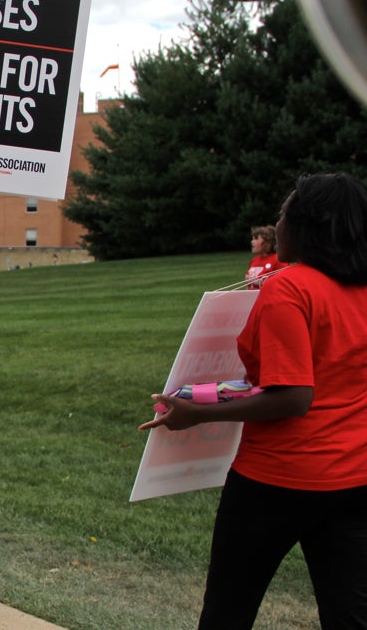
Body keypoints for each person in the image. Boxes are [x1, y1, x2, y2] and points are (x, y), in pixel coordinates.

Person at [140, 172, 367, 628]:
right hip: (354, 481)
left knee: (228, 611)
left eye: (282, 214)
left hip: (277, 480)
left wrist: (198, 413)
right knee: (350, 615)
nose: (275, 225)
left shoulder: (288, 288)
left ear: (305, 225)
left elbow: (294, 396)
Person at [245, 225, 283, 289]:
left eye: (256, 239)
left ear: (267, 242)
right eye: (252, 239)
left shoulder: (278, 260)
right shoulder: (254, 261)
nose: (252, 242)